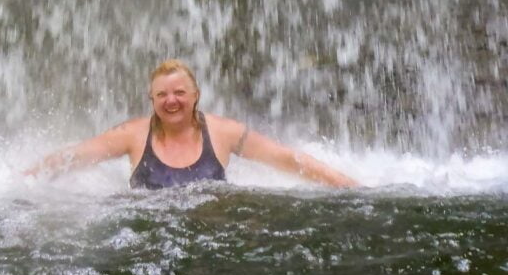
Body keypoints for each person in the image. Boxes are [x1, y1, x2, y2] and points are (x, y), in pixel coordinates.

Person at [26, 59, 359, 189]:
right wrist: (23, 182)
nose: (171, 101)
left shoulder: (224, 133)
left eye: (180, 93)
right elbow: (75, 155)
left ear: (195, 95)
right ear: (152, 99)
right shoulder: (132, 134)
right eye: (162, 95)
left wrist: (349, 187)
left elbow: (287, 159)